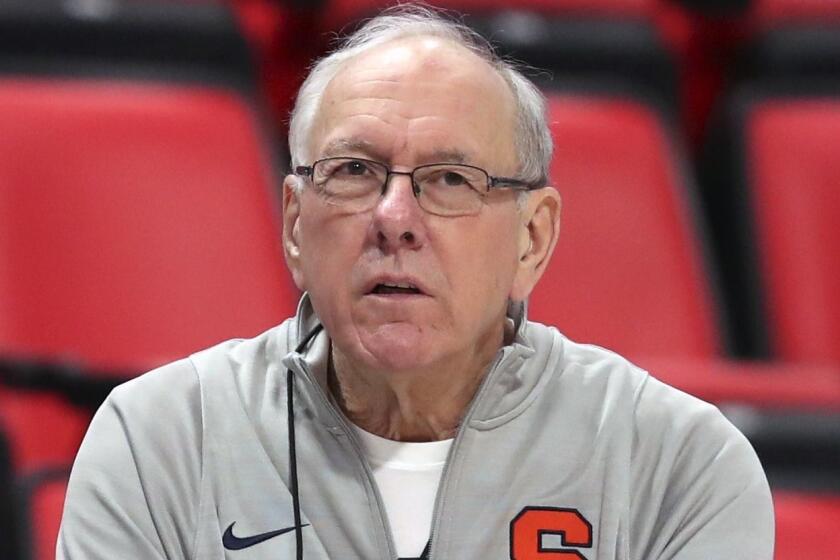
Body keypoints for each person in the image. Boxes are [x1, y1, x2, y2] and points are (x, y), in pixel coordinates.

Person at [58, 5, 774, 559]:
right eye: (354, 172)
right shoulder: (162, 443)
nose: (394, 218)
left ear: (533, 238)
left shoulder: (674, 467)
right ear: (294, 224)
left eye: (450, 180)